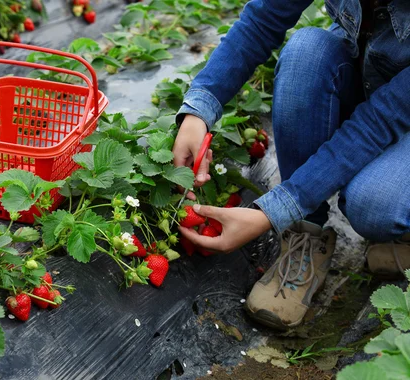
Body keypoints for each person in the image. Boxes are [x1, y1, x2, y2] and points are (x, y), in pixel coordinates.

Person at [173, 0, 410, 330]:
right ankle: (306, 234)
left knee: (374, 204)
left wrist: (275, 209)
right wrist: (198, 110)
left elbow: (379, 121)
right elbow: (261, 21)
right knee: (306, 53)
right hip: (366, 71)